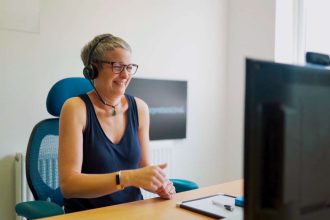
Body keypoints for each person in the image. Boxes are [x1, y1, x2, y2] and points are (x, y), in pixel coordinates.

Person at [58, 33, 176, 213]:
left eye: (129, 67)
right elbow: (69, 185)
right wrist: (126, 177)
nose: (125, 75)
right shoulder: (75, 109)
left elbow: (143, 168)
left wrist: (158, 184)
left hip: (132, 211)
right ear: (92, 69)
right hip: (88, 215)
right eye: (117, 66)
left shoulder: (140, 108)